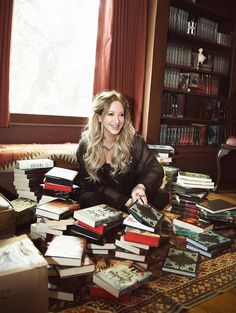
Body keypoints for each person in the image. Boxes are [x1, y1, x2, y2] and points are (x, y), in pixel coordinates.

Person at [76, 90, 169, 211]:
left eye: (121, 114)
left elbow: (155, 168)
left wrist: (140, 187)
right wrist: (124, 201)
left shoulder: (135, 141)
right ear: (99, 117)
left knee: (161, 197)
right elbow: (92, 184)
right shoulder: (86, 145)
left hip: (130, 194)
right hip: (103, 196)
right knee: (91, 199)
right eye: (111, 114)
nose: (117, 120)